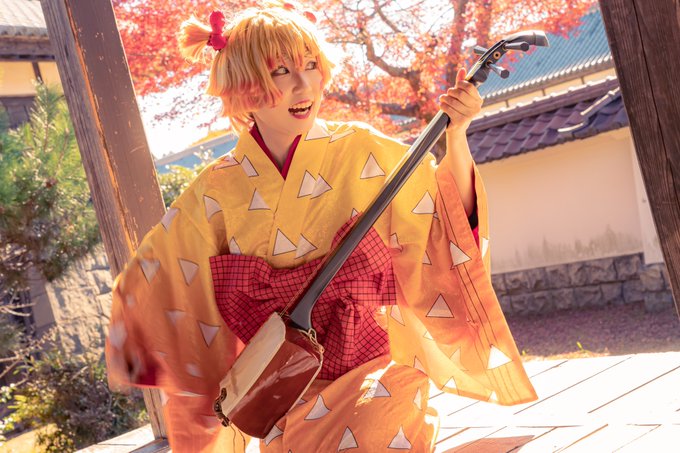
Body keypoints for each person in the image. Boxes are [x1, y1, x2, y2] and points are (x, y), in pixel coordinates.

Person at [105, 2, 537, 451]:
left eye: (311, 65)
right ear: (244, 87)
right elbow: (162, 280)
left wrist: (457, 134)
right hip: (283, 383)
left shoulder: (361, 149)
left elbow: (442, 219)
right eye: (281, 71)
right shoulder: (215, 190)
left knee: (376, 434)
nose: (304, 84)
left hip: (371, 364)